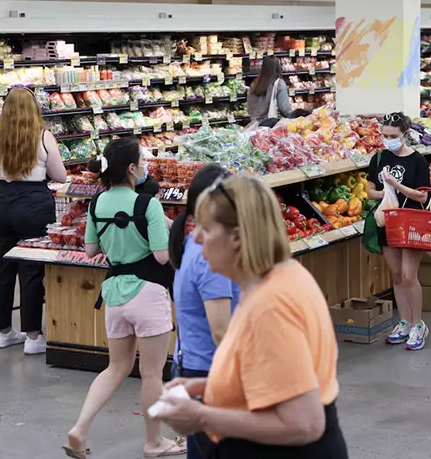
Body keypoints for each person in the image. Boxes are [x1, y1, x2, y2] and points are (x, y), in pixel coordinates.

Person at [155, 173, 348, 458]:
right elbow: (275, 378)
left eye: (206, 229)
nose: (195, 237)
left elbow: (305, 423)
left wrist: (202, 416)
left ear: (235, 237)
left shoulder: (270, 306)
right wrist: (211, 386)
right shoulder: (278, 277)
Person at [65, 137, 185, 459]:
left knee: (115, 367)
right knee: (151, 373)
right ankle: (154, 441)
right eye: (142, 161)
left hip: (115, 293)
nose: (145, 166)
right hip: (148, 292)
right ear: (132, 169)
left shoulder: (96, 204)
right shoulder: (149, 205)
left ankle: (80, 428)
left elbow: (91, 250)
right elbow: (162, 256)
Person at [0, 87, 67, 354]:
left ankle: (3, 332)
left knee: (1, 270)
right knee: (31, 270)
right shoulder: (43, 137)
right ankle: (33, 336)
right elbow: (61, 175)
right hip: (33, 203)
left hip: (0, 204)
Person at [168, 164, 240, 459]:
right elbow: (221, 330)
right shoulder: (211, 258)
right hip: (211, 372)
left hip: (195, 363)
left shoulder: (191, 243)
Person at [367, 112, 431, 350]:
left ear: (405, 134)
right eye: (384, 135)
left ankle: (418, 324)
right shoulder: (379, 158)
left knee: (408, 276)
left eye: (392, 136)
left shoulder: (418, 161)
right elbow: (369, 191)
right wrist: (384, 193)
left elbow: (423, 196)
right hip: (388, 221)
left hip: (412, 222)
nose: (387, 140)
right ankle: (403, 321)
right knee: (395, 275)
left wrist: (396, 185)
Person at [247, 56, 292, 123]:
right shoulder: (278, 83)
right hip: (272, 124)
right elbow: (284, 108)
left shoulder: (254, 83)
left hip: (255, 124)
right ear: (278, 67)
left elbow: (250, 106)